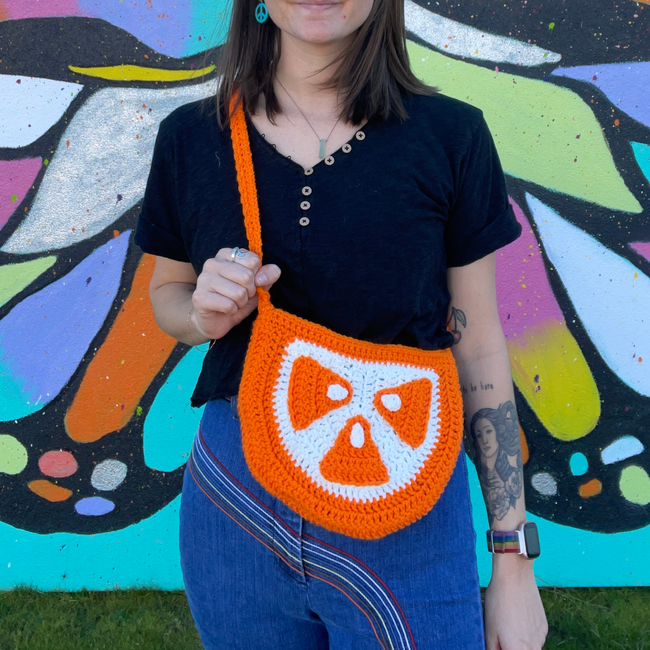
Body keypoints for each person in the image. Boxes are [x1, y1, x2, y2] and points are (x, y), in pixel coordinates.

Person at [134, 0, 548, 645]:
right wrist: (200, 312)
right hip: (236, 501)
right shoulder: (193, 136)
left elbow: (480, 347)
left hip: (408, 491)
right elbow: (168, 295)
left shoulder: (451, 134)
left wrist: (512, 560)